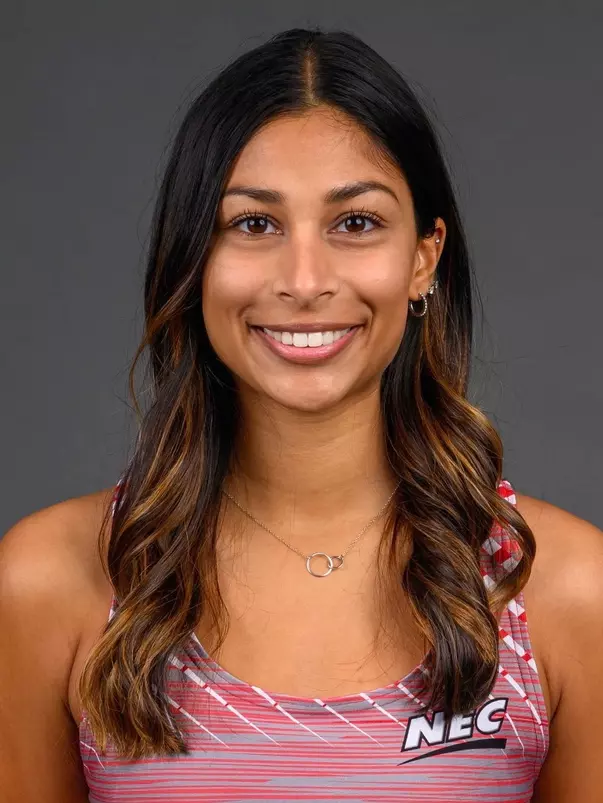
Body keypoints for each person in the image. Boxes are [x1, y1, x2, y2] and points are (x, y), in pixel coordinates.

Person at [1, 25, 602, 803]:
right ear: (193, 257)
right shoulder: (52, 582)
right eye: (254, 224)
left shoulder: (561, 591)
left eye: (355, 223)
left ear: (422, 258)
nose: (305, 278)